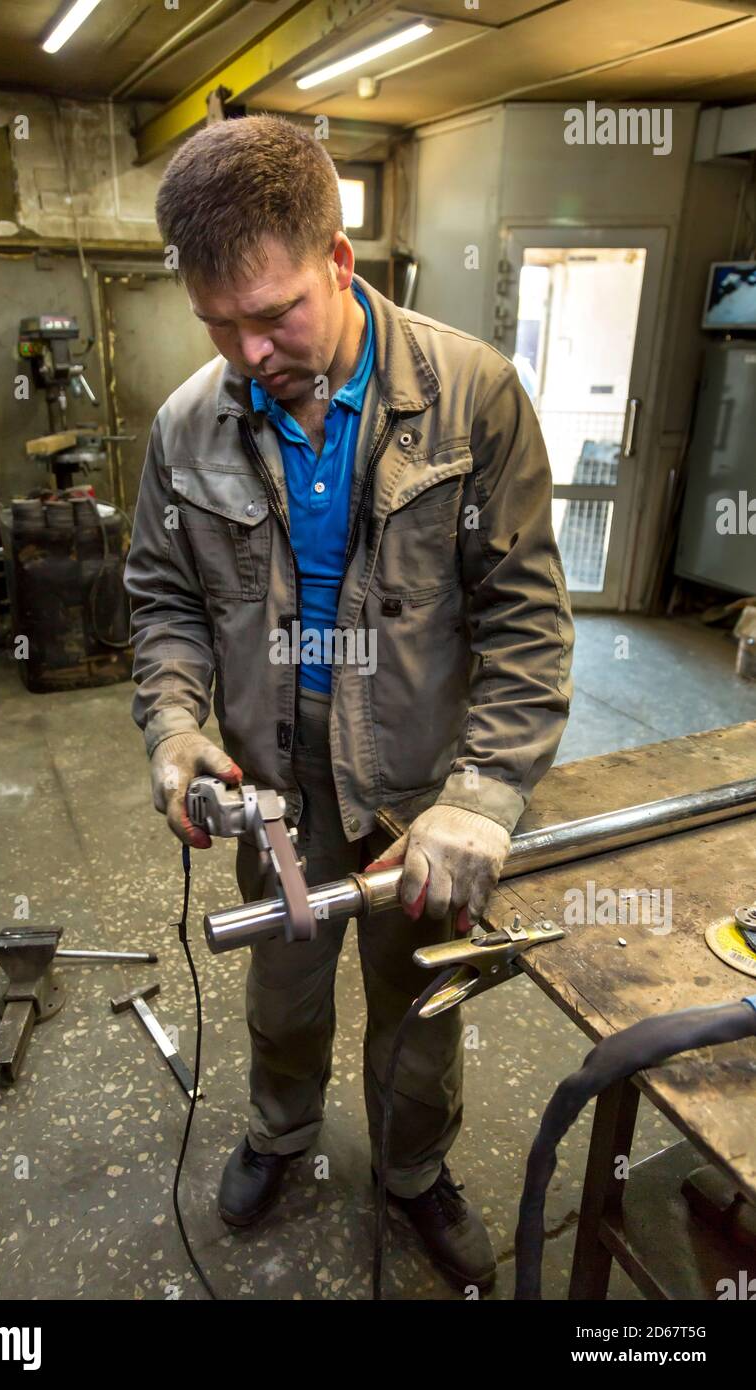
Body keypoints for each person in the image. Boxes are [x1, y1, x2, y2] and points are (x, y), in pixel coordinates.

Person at [124, 113, 574, 1293]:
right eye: (217, 322)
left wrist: (481, 799)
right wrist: (175, 731)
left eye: (273, 315)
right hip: (275, 782)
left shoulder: (472, 398)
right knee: (282, 985)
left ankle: (414, 1170)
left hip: (421, 784)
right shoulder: (188, 425)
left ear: (340, 262)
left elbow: (526, 624)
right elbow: (163, 600)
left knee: (422, 1004)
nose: (246, 349)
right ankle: (280, 1133)